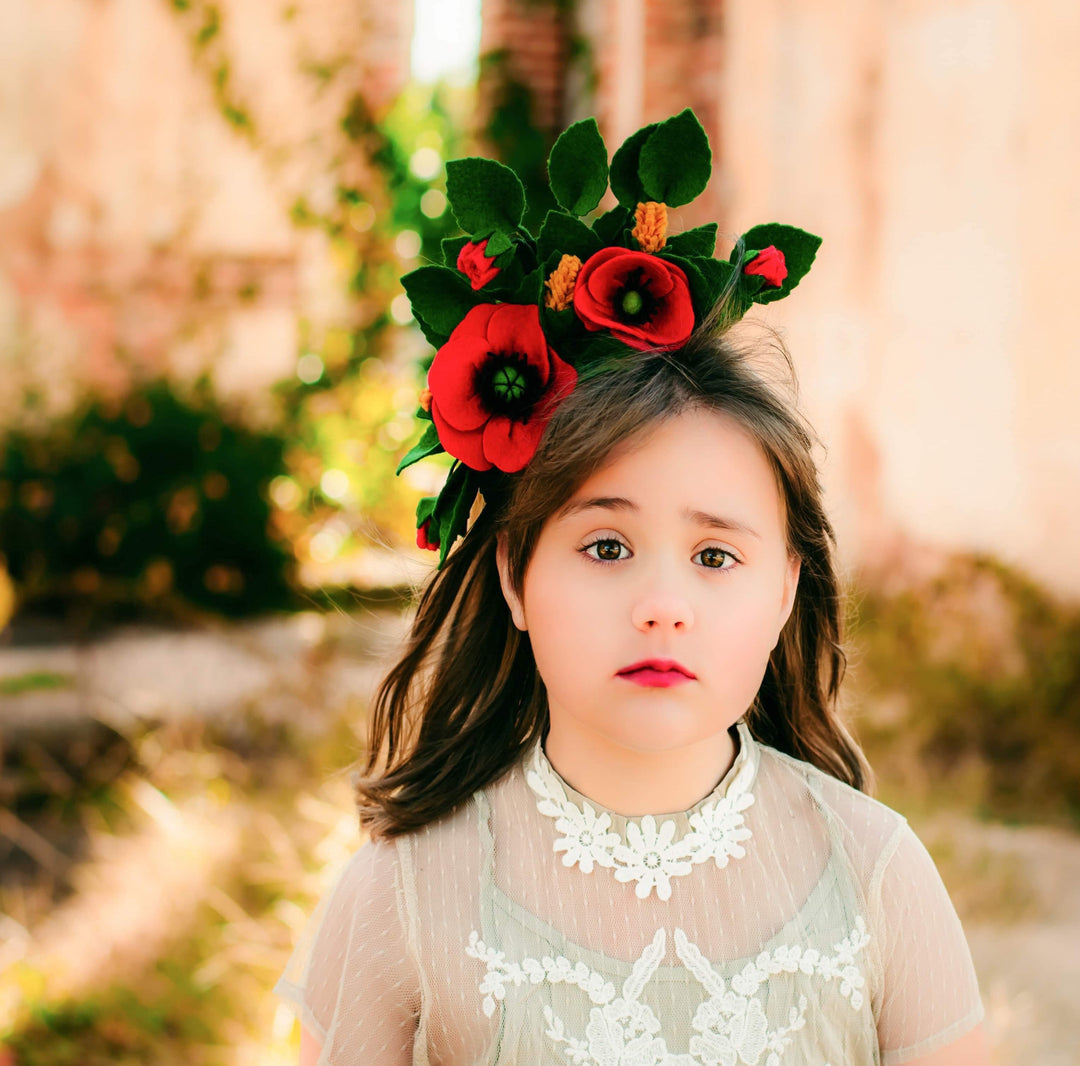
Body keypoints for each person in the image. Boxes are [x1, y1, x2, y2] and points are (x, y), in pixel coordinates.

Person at [274, 109, 990, 1066]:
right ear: (514, 579)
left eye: (714, 556)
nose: (663, 604)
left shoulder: (876, 873)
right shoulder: (404, 890)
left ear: (785, 590)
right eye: (606, 547)